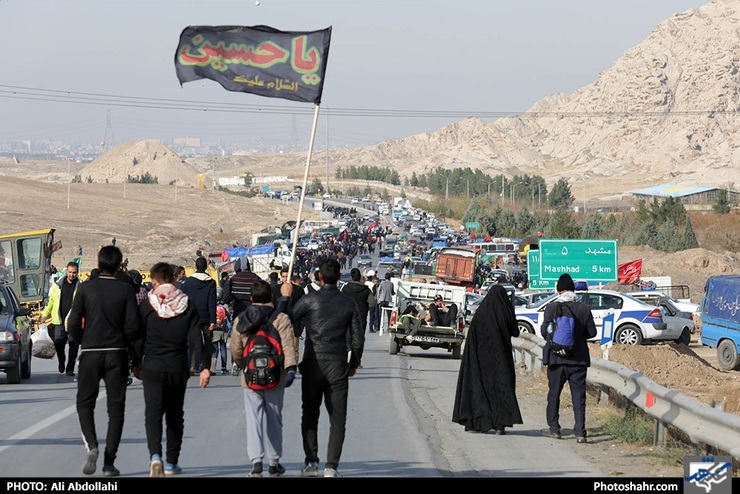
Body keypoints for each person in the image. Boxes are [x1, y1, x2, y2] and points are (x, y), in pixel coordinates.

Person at [280, 258, 364, 478]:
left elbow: (286, 319)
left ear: (319, 277)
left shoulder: (309, 300)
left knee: (309, 413)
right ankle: (331, 467)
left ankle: (311, 462)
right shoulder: (348, 303)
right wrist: (353, 363)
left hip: (313, 364)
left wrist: (285, 297)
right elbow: (358, 339)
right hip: (337, 364)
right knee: (338, 417)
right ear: (339, 277)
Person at [67, 245, 142, 477]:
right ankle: (109, 463)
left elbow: (73, 321)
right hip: (116, 353)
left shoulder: (86, 288)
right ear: (120, 266)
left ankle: (92, 446)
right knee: (116, 409)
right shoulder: (126, 290)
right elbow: (133, 327)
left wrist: (79, 342)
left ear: (99, 265)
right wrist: (134, 356)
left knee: (84, 403)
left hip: (90, 352)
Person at [133, 262, 211, 477]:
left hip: (152, 366)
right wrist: (204, 367)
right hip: (177, 366)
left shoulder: (147, 305)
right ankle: (171, 462)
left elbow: (137, 338)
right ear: (174, 279)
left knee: (153, 412)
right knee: (175, 414)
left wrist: (136, 362)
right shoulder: (187, 304)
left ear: (154, 281)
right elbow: (197, 337)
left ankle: (155, 456)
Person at [231, 280, 298, 477]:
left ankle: (256, 462)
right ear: (271, 297)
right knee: (274, 419)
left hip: (250, 378)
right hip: (276, 376)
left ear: (251, 299)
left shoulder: (241, 319)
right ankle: (274, 461)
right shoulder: (281, 318)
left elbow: (236, 349)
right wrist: (291, 369)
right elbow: (287, 345)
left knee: (254, 419)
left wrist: (243, 365)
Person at [452, 284, 523, 435]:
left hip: (481, 360)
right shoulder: (506, 311)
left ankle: (478, 422)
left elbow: (472, 337)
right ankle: (500, 425)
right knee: (501, 389)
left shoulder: (481, 312)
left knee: (480, 389)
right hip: (501, 359)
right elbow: (515, 332)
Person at [539, 273, 597, 443]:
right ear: (573, 290)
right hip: (578, 360)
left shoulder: (551, 308)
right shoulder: (584, 308)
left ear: (559, 290)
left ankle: (555, 429)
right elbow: (592, 333)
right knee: (578, 397)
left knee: (554, 394)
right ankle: (580, 432)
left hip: (556, 359)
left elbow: (544, 332)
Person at [41, 261, 81, 376]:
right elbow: (51, 302)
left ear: (77, 273)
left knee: (73, 346)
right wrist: (45, 314)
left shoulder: (80, 286)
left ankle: (70, 368)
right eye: (70, 272)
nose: (71, 275)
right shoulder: (57, 286)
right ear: (66, 271)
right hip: (59, 320)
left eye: (74, 273)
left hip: (74, 322)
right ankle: (61, 360)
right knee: (59, 343)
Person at [180, 256, 217, 374]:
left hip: (191, 317)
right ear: (206, 267)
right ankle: (205, 366)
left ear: (195, 267)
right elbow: (212, 302)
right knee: (208, 342)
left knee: (192, 341)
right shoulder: (211, 282)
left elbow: (184, 300)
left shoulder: (188, 282)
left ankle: (192, 365)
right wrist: (213, 320)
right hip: (206, 316)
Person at [340, 267, 375, 367]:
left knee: (347, 338)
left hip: (347, 316)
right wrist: (365, 307)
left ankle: (347, 359)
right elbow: (372, 303)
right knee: (359, 339)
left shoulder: (345, 288)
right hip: (361, 317)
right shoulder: (366, 289)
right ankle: (357, 361)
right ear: (360, 278)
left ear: (351, 277)